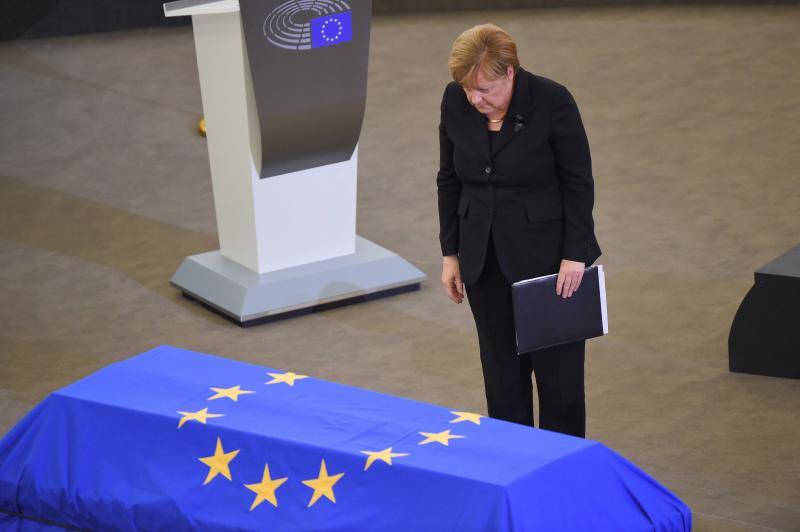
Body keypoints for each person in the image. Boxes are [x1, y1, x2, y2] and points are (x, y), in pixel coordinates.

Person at [437, 23, 601, 438]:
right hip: (483, 258)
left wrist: (574, 255)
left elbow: (578, 181)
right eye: (467, 89)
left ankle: (562, 477)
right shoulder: (455, 99)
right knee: (502, 380)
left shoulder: (552, 100)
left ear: (510, 72)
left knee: (558, 383)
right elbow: (449, 179)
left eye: (485, 89)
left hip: (549, 263)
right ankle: (514, 471)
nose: (475, 99)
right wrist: (451, 253)